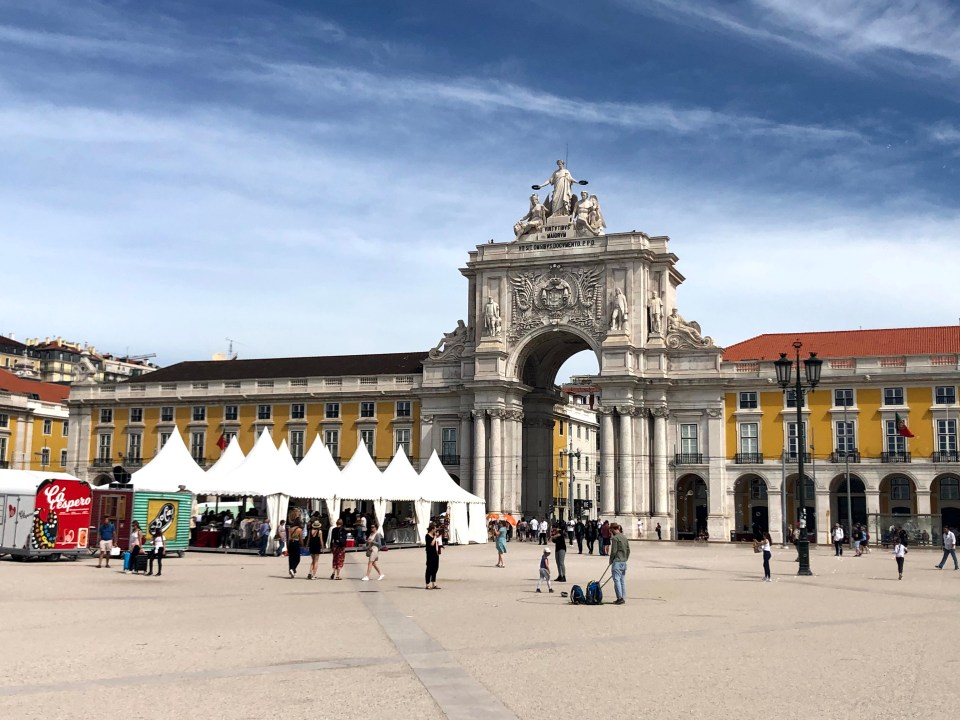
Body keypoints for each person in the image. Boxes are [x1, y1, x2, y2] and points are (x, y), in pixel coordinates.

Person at [609, 523, 630, 605]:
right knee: (622, 580)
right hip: (623, 561)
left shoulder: (615, 538)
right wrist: (625, 558)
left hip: (617, 561)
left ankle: (619, 598)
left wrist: (611, 560)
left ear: (612, 529)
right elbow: (628, 550)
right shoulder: (624, 537)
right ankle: (623, 597)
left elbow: (614, 551)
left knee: (616, 579)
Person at [425, 521, 441, 590]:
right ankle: (427, 584)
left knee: (435, 568)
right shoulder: (427, 536)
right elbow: (431, 544)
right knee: (429, 568)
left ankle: (434, 583)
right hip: (430, 554)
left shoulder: (435, 536)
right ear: (432, 529)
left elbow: (437, 544)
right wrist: (435, 537)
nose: (436, 530)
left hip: (435, 553)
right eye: (435, 529)